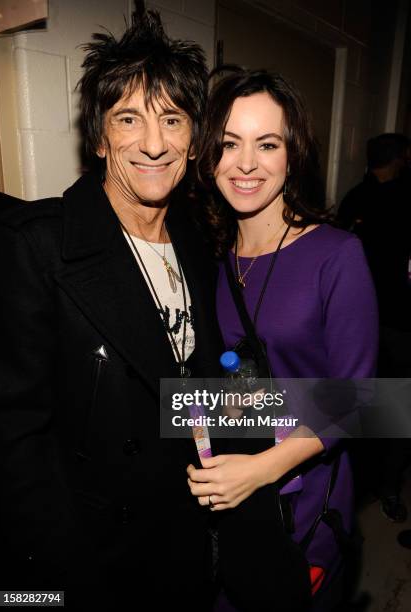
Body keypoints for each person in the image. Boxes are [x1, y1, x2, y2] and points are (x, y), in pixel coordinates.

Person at [0, 5, 223, 610]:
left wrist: (323, 415)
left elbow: (184, 392)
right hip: (91, 557)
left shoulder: (197, 244)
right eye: (129, 119)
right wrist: (60, 580)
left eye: (172, 120)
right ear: (99, 138)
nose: (154, 144)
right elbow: (13, 440)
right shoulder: (37, 245)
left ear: (194, 140)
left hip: (181, 530)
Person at [187, 68, 379, 611]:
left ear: (291, 155)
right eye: (229, 144)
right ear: (209, 156)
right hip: (229, 497)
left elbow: (363, 400)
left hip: (302, 501)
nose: (246, 164)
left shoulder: (336, 256)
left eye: (267, 144)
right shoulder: (212, 257)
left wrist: (261, 470)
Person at [338, 133, 411, 523]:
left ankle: (385, 487)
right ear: (399, 158)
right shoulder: (356, 199)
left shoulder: (388, 196)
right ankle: (369, 485)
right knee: (363, 404)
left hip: (395, 320)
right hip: (361, 324)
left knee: (394, 407)